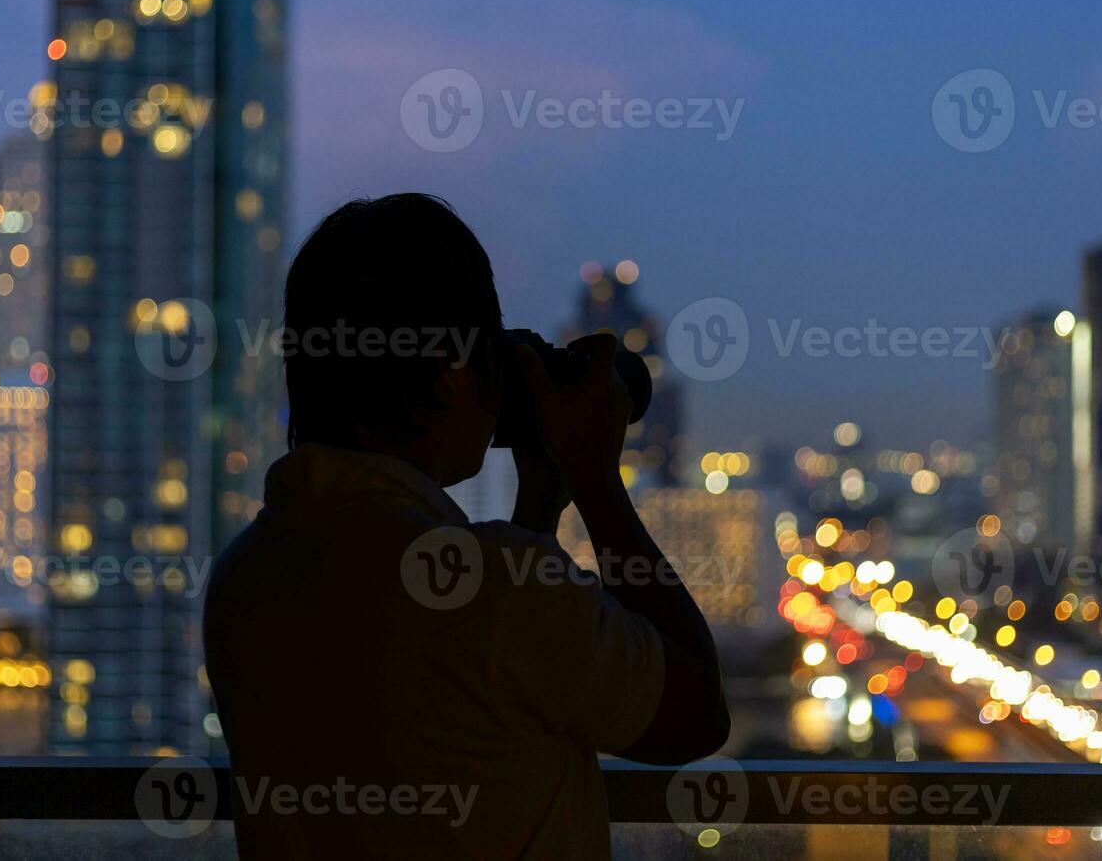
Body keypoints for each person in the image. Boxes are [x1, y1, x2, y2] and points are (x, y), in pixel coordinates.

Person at [204, 193, 729, 860]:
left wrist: (539, 508)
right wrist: (597, 483)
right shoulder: (497, 590)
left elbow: (473, 691)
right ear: (453, 375)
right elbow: (694, 716)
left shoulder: (247, 575)